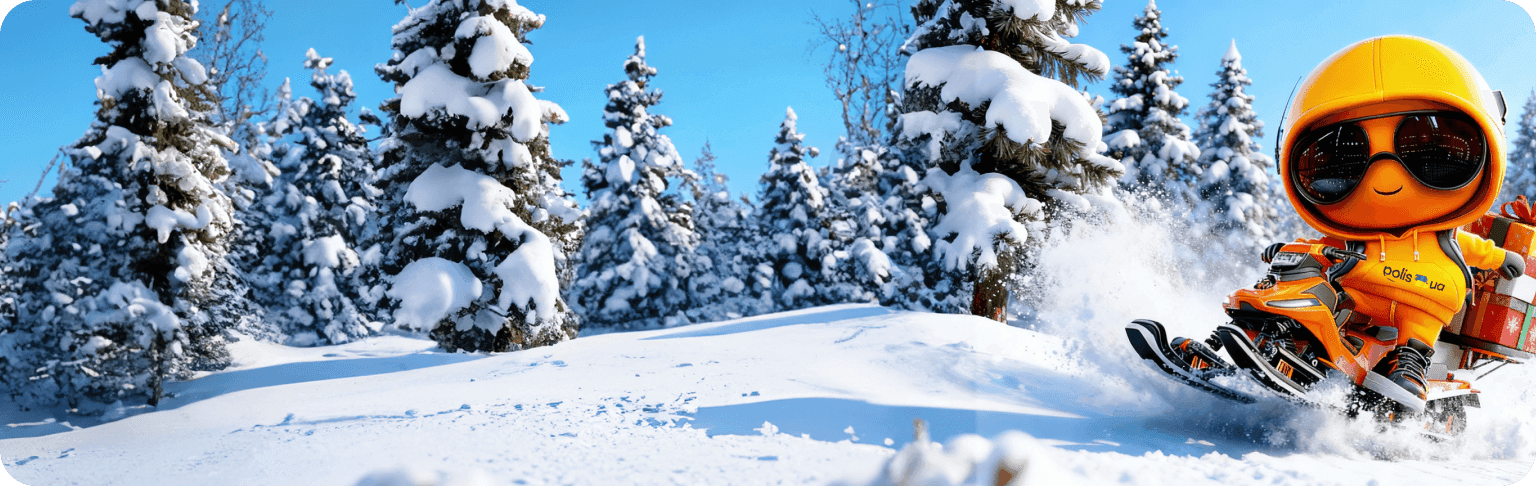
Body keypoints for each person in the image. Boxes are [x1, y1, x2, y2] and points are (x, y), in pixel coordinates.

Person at [1174, 35, 1524, 400]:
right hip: (1363, 290)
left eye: (1433, 157)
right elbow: (1324, 247)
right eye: (1339, 165)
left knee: (1416, 327)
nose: (1386, 177)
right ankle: (1239, 345)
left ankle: (1411, 360)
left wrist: (1503, 257)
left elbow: (1471, 247)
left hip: (1424, 295)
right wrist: (1292, 249)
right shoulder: (1353, 240)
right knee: (1318, 293)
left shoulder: (1442, 238)